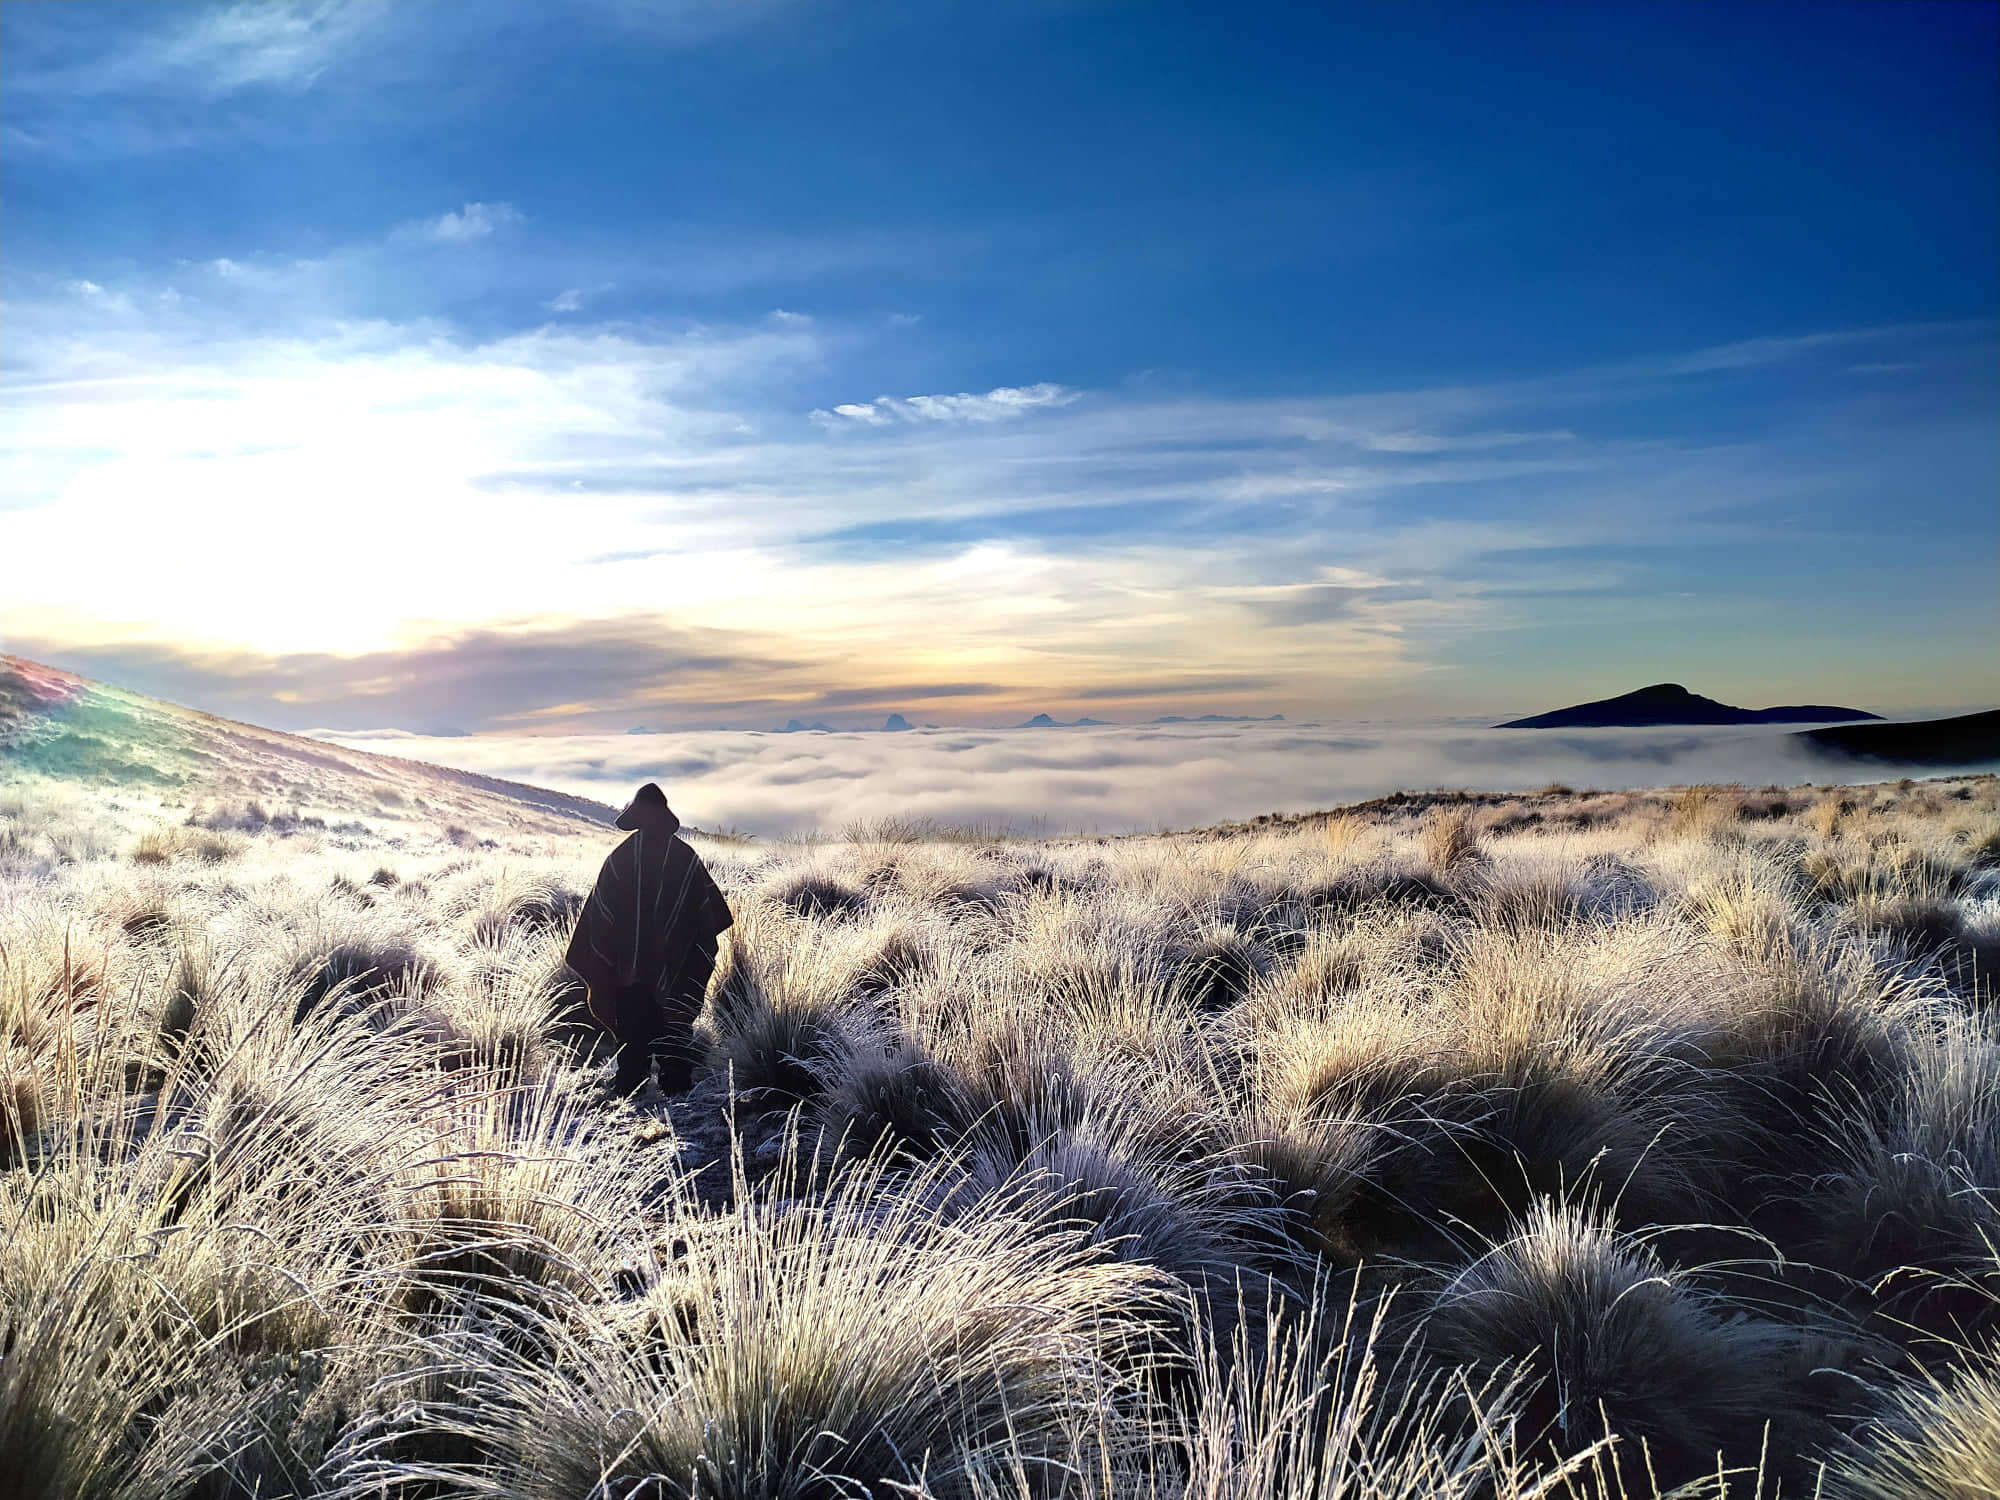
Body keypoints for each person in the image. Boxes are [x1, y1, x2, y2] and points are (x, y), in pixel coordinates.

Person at [565, 782, 733, 1097]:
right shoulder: (685, 858)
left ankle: (632, 1094)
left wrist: (611, 967)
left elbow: (598, 923)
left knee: (632, 1045)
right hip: (679, 972)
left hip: (628, 976)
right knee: (674, 1037)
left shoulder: (620, 858)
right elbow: (708, 921)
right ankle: (676, 1096)